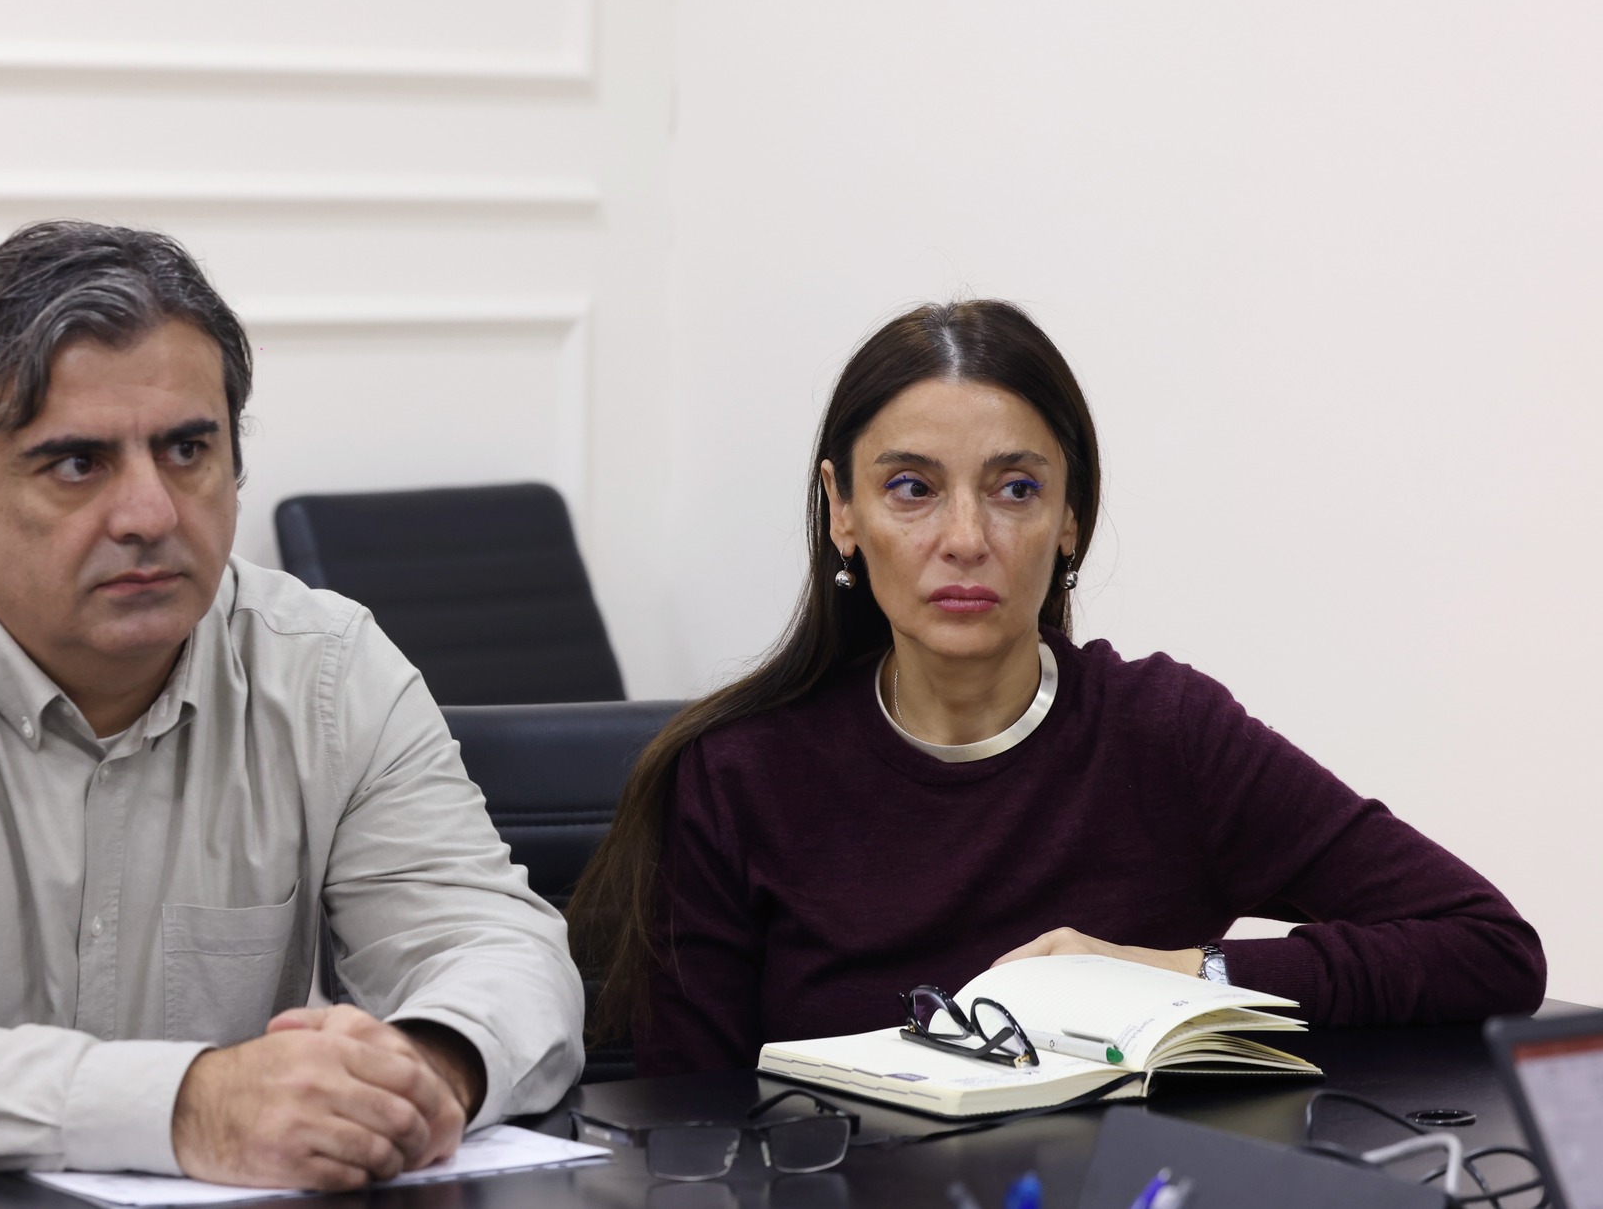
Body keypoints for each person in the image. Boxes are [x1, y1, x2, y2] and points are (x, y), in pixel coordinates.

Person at [0, 221, 584, 1188]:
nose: (151, 514)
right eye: (78, 463)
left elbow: (498, 946)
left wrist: (424, 1068)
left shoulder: (326, 669)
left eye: (187, 448)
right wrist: (186, 1104)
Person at [566, 300, 1547, 1076]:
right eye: (910, 487)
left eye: (1015, 488)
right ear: (842, 512)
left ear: (1070, 516)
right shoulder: (738, 774)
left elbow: (1487, 945)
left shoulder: (1165, 732)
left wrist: (1176, 974)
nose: (964, 537)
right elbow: (685, 1130)